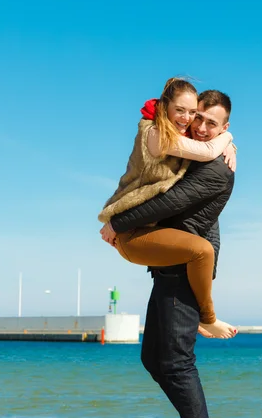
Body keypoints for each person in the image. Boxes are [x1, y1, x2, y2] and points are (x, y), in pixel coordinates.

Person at [101, 89, 235, 418]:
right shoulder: (196, 154)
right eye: (198, 117)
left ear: (224, 125)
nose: (201, 126)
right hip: (167, 266)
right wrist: (229, 141)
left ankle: (208, 317)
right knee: (153, 360)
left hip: (182, 271)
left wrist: (117, 224)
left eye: (212, 123)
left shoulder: (215, 169)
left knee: (176, 365)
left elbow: (168, 203)